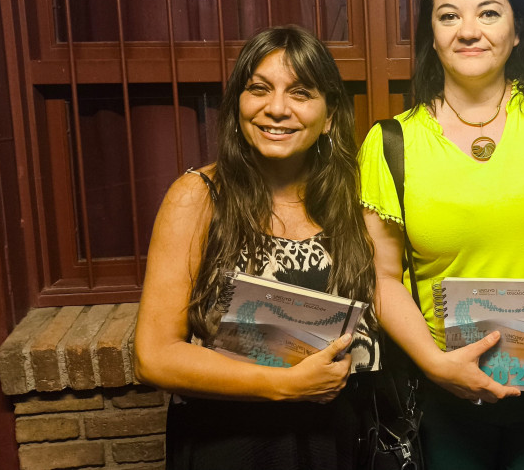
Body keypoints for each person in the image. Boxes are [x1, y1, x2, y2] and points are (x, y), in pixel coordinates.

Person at [358, 0, 524, 470]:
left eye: (489, 12)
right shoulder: (391, 143)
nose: (469, 30)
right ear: (432, 35)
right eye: (449, 16)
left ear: (517, 30)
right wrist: (434, 363)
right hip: (445, 378)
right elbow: (383, 277)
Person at [133, 25, 377, 470]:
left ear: (329, 117)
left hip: (334, 441)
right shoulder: (199, 196)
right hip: (227, 444)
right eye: (259, 89)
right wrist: (284, 384)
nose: (276, 109)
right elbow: (153, 356)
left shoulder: (355, 200)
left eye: (300, 93)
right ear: (238, 105)